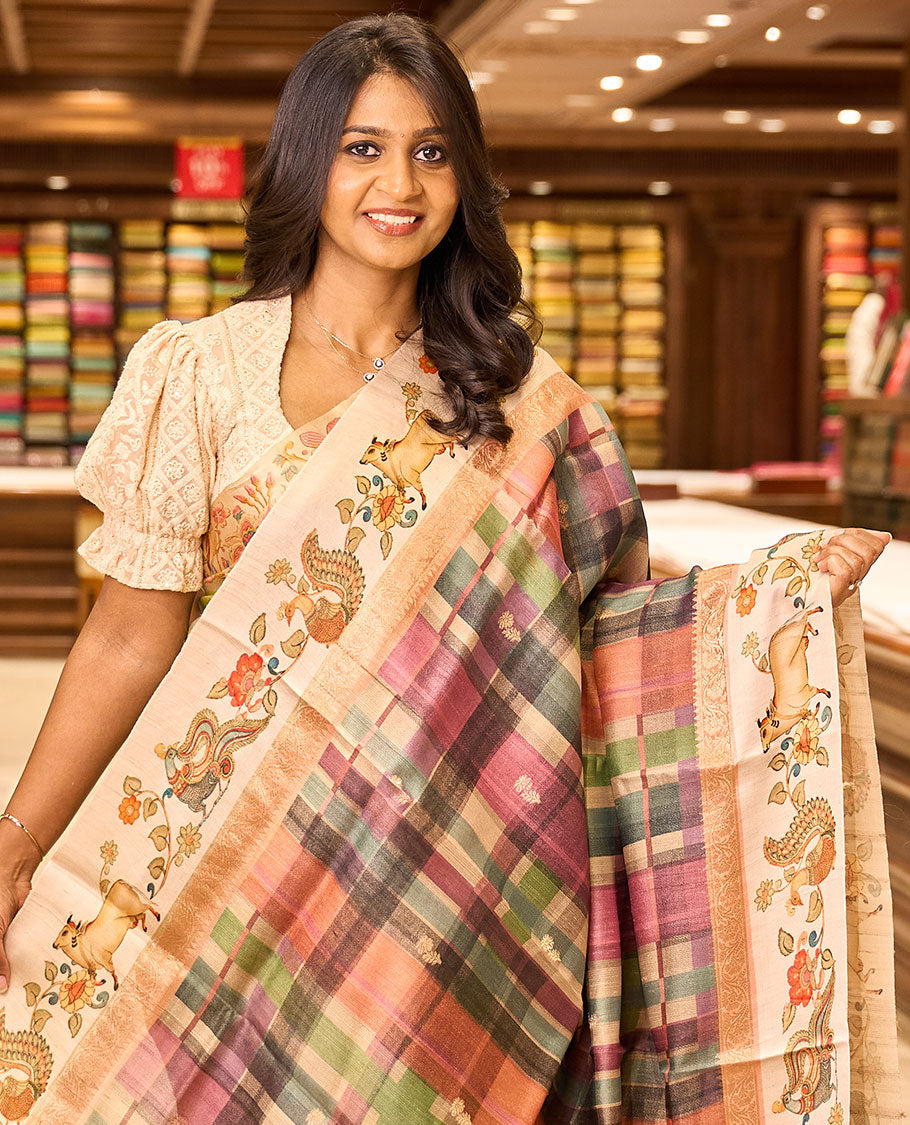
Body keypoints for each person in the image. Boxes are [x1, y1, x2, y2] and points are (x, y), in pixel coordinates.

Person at [0, 13, 898, 1124]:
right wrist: (18, 838)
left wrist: (784, 596)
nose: (401, 182)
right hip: (239, 872)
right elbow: (132, 635)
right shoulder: (201, 370)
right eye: (362, 146)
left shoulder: (524, 404)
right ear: (306, 159)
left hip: (452, 884)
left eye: (432, 151)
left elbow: (606, 648)